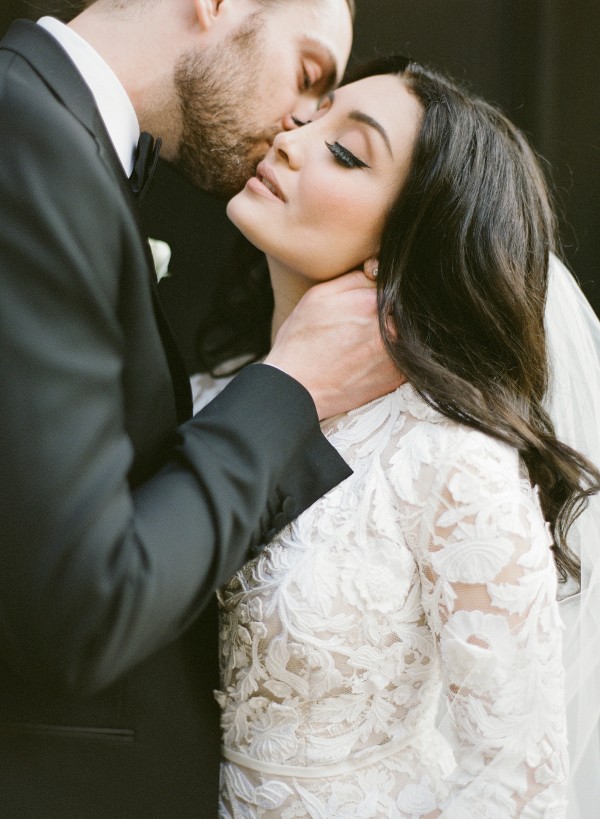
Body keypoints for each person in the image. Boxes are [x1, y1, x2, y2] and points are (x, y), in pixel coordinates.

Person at [0, 1, 404, 816]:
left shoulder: (52, 136)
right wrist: (293, 387)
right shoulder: (28, 138)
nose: (301, 123)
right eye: (310, 73)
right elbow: (87, 608)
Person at [188, 57, 600, 816]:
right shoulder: (206, 400)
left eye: (348, 152)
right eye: (310, 117)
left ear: (410, 242)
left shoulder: (449, 462)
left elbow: (518, 787)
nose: (290, 141)